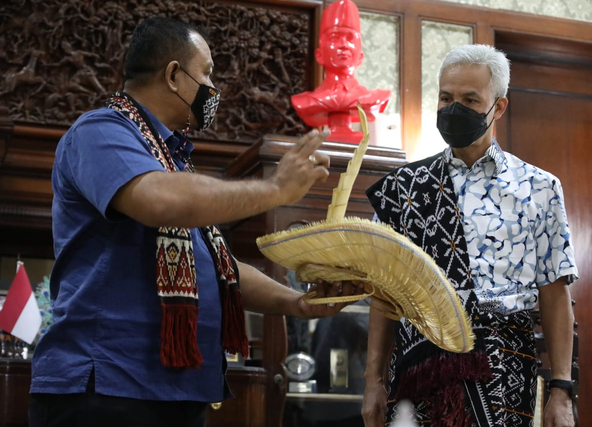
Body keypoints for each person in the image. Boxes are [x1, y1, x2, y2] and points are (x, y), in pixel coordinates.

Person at [28, 17, 361, 427]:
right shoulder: (99, 131)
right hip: (106, 387)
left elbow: (219, 268)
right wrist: (275, 191)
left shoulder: (173, 159)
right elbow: (158, 201)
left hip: (179, 390)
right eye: (206, 73)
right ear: (173, 75)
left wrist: (297, 303)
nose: (212, 88)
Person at [362, 45, 578, 427]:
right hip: (417, 367)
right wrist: (372, 382)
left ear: (498, 107)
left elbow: (555, 293)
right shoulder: (406, 187)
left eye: (469, 99)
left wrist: (561, 389)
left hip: (505, 369)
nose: (453, 108)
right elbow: (384, 293)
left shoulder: (539, 188)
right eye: (446, 97)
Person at [291, 0, 390, 143]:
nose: (344, 45)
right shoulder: (305, 101)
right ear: (319, 55)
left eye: (350, 38)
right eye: (335, 38)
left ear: (361, 56)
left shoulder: (374, 98)